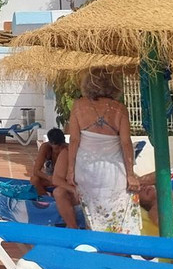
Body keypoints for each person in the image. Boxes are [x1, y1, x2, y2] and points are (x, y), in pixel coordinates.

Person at [55, 69, 139, 233]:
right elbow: (125, 142)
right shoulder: (119, 109)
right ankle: (116, 244)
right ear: (114, 85)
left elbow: (74, 140)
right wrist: (130, 174)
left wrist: (71, 170)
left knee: (91, 213)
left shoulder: (78, 106)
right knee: (116, 213)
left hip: (86, 168)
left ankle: (94, 242)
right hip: (114, 170)